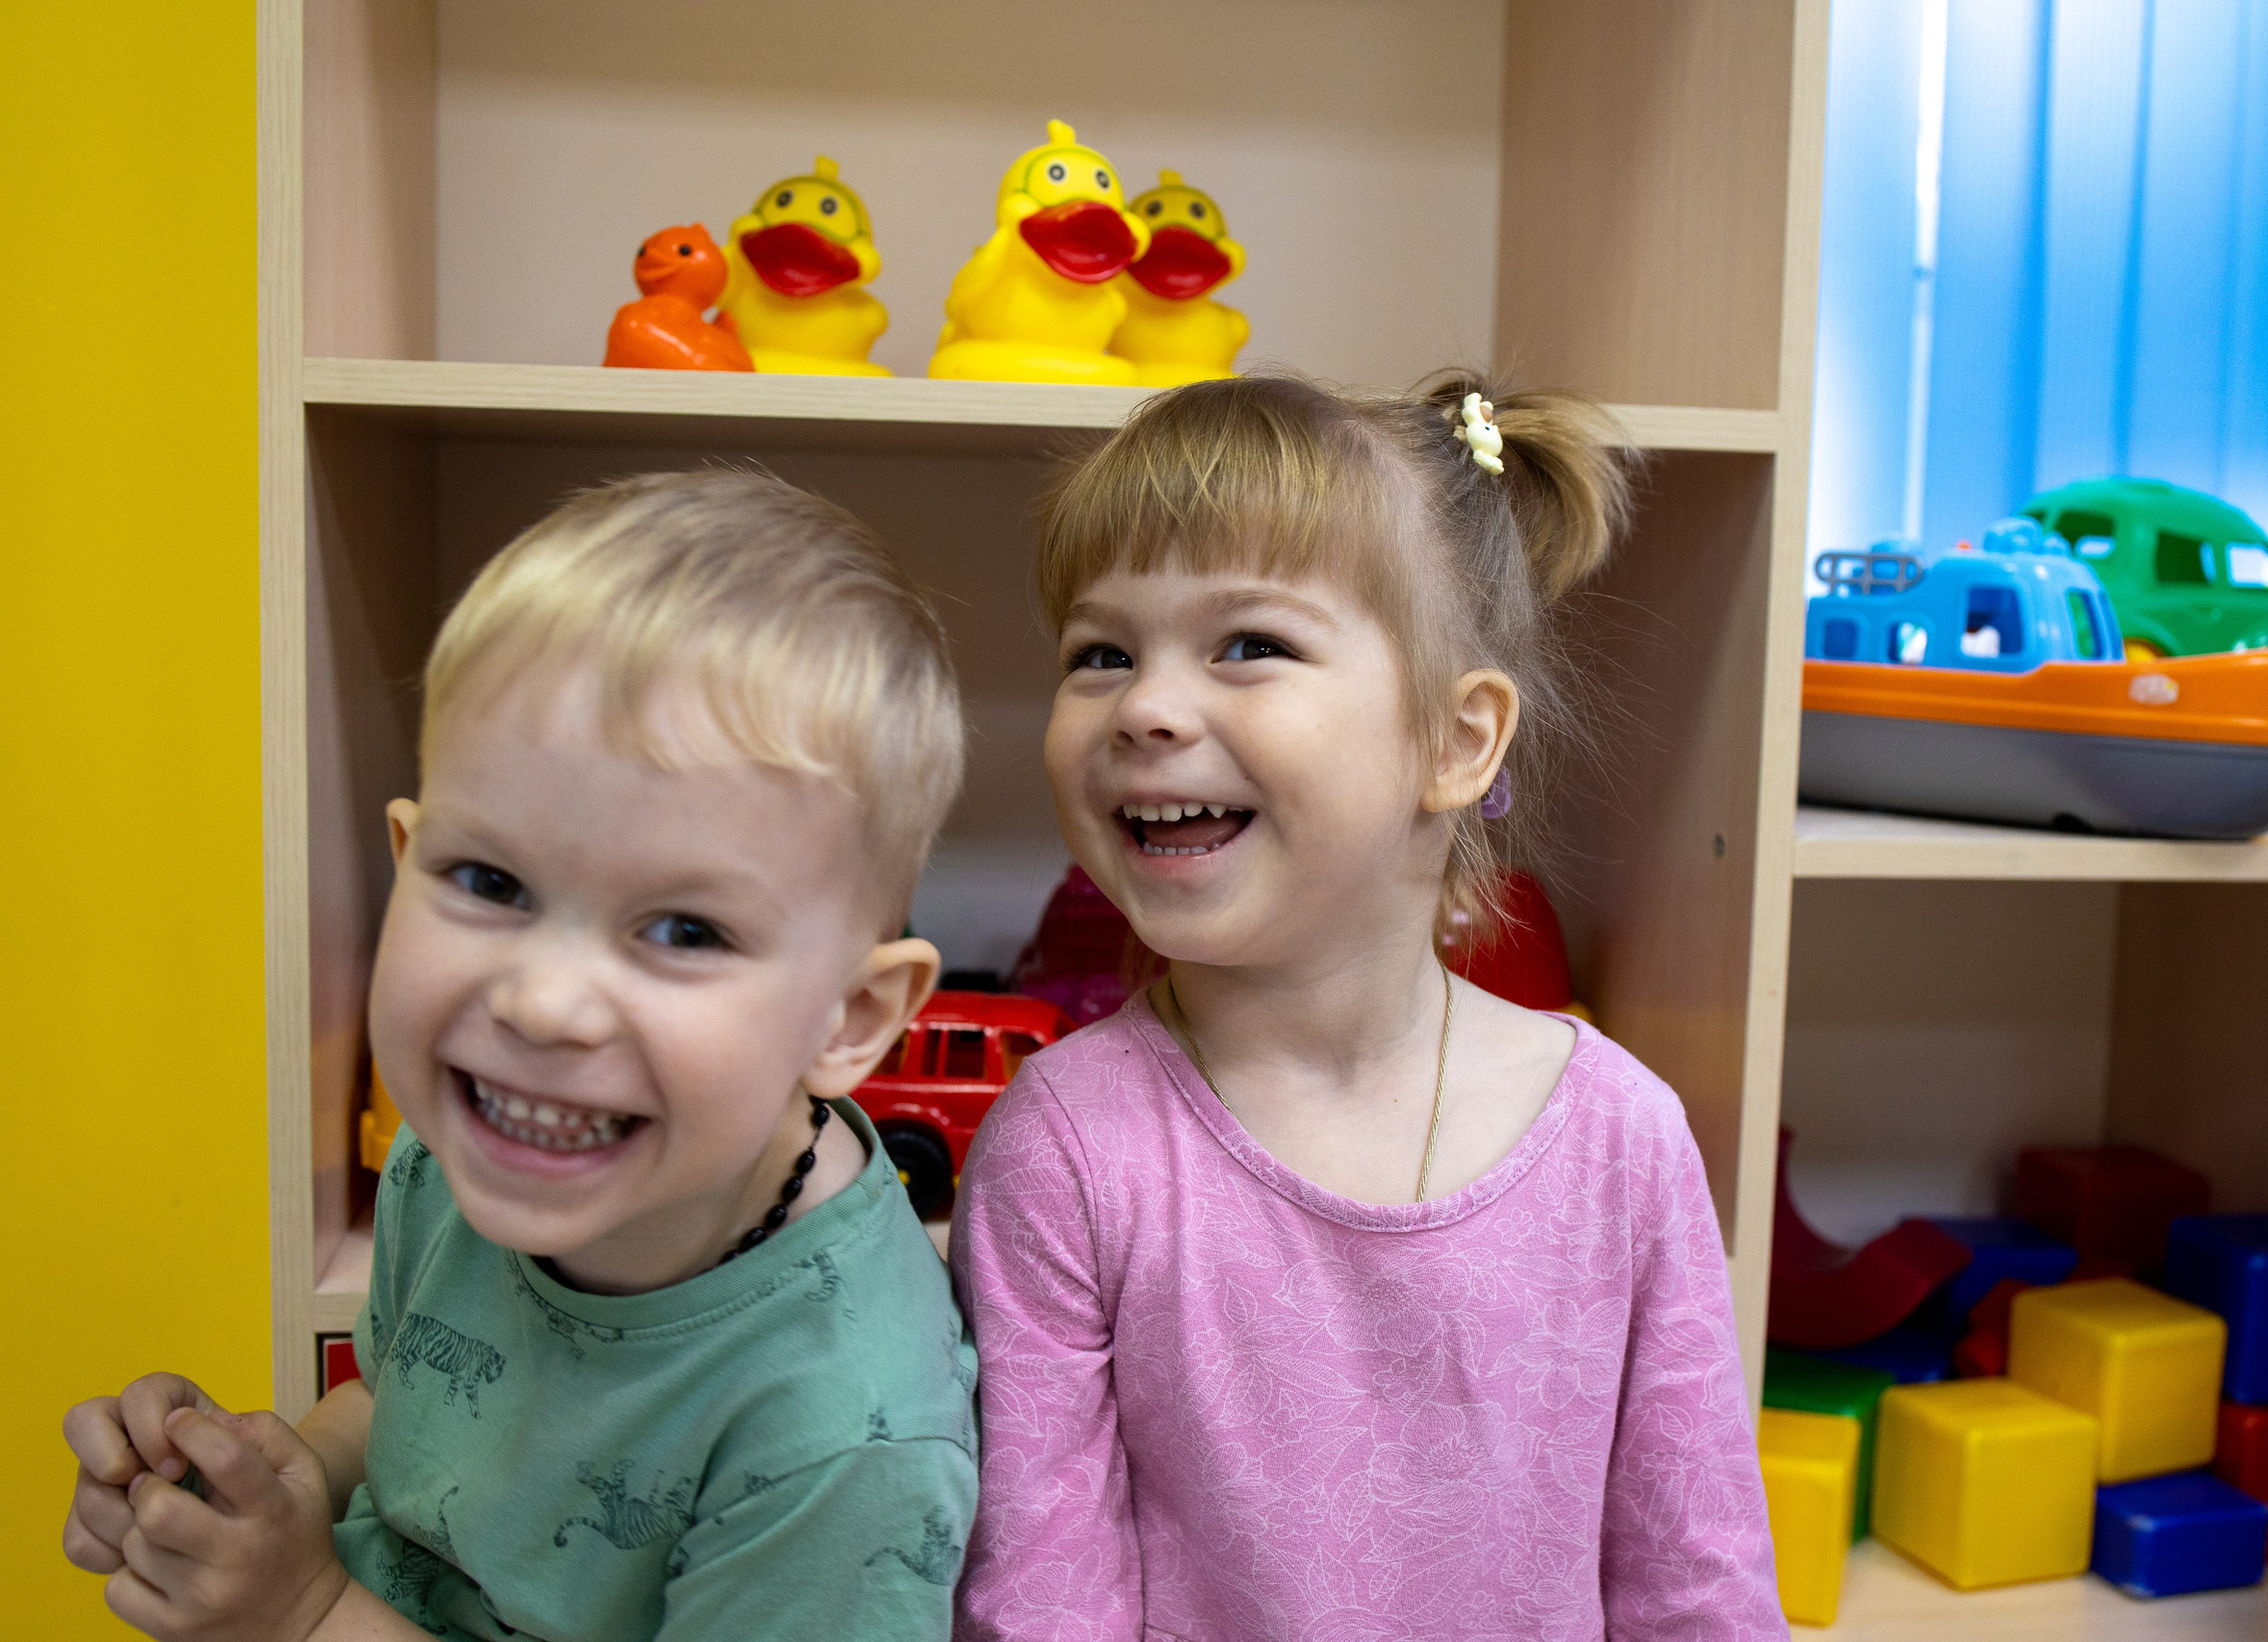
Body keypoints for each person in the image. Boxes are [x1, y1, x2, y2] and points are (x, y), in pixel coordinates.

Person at [63, 472, 981, 1641]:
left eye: (684, 930)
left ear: (849, 1016)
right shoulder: (475, 1143)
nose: (541, 1007)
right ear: (406, 855)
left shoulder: (844, 1438)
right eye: (488, 881)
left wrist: (295, 1608)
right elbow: (404, 1401)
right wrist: (268, 1485)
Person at [952, 374, 1787, 1638]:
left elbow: (1696, 1584)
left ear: (1457, 741)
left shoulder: (1623, 1136)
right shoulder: (1064, 1146)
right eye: (1100, 653)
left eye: (1248, 644)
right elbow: (1044, 1597)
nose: (1145, 707)